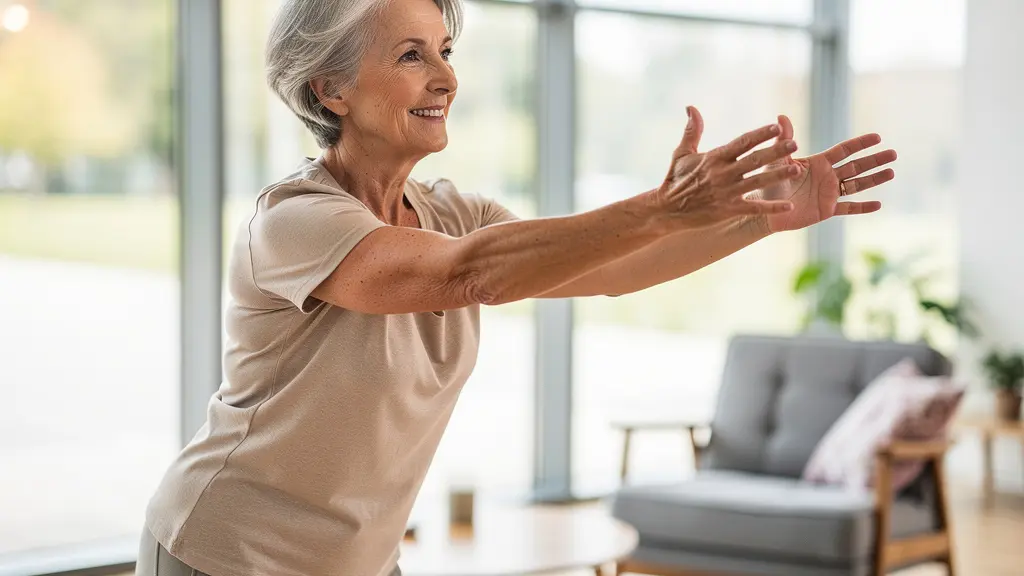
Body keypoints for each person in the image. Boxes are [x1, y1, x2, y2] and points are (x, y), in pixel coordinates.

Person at [135, 0, 897, 575]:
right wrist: (662, 205)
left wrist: (759, 220)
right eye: (411, 56)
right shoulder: (294, 222)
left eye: (445, 49)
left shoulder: (453, 213)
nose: (446, 77)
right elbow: (468, 275)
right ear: (330, 89)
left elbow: (609, 268)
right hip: (228, 551)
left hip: (358, 560)